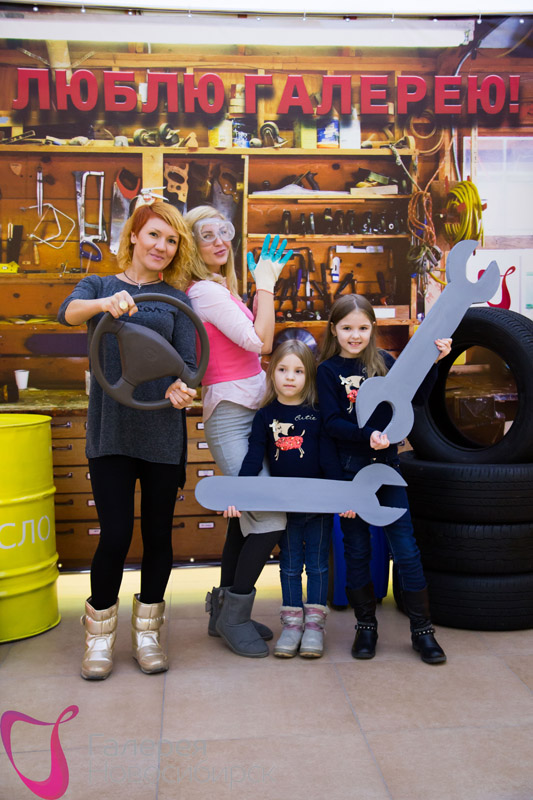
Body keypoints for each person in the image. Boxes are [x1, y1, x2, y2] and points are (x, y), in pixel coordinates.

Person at [58, 200, 198, 680]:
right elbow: (68, 313)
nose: (162, 246)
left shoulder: (177, 300)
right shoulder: (98, 286)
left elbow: (188, 366)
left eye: (172, 240)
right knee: (115, 535)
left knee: (158, 535)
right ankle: (98, 637)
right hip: (111, 432)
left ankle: (148, 634)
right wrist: (105, 304)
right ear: (134, 236)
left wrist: (182, 390)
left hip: (161, 434)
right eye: (155, 235)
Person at [317, 294, 452, 664]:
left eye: (362, 328)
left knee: (405, 548)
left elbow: (415, 400)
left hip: (388, 468)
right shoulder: (327, 371)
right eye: (347, 328)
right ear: (334, 329)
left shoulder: (385, 362)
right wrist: (367, 436)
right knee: (357, 549)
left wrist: (434, 364)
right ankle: (366, 627)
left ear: (372, 328)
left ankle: (423, 631)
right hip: (350, 470)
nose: (355, 335)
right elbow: (331, 423)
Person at [182, 205, 291, 658]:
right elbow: (260, 342)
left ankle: (223, 611)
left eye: (223, 231)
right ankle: (235, 617)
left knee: (244, 522)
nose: (219, 241)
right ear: (191, 246)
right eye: (206, 234)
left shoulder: (218, 288)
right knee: (269, 519)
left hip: (250, 411)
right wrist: (265, 286)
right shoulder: (205, 292)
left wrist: (258, 289)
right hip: (230, 417)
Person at [224, 339, 356, 658]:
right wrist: (237, 494)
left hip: (319, 506)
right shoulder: (265, 416)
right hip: (286, 508)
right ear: (271, 373)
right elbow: (254, 458)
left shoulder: (318, 415)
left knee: (318, 566)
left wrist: (344, 497)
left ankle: (314, 627)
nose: (290, 377)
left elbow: (329, 461)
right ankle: (292, 625)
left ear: (308, 376)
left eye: (298, 371)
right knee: (290, 564)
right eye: (283, 370)